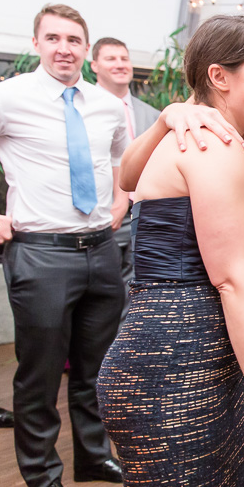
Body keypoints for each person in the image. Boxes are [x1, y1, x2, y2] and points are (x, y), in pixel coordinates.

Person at [98, 14, 244, 487]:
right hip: (173, 363)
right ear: (219, 76)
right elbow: (232, 280)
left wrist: (167, 117)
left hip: (198, 355)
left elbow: (127, 179)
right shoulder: (213, 146)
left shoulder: (191, 133)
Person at [0, 3, 128, 487]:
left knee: (96, 369)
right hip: (40, 255)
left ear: (85, 49)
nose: (63, 49)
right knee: (40, 376)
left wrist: (120, 204)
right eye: (53, 38)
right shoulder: (6, 98)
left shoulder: (107, 105)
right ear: (36, 44)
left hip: (102, 250)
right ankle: (43, 480)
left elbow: (122, 161)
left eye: (73, 40)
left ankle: (92, 456)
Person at [90, 36, 161, 315]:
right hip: (102, 215)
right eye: (111, 59)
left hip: (146, 213)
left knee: (138, 290)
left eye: (124, 58)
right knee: (102, 297)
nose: (120, 64)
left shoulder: (154, 115)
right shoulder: (84, 109)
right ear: (94, 65)